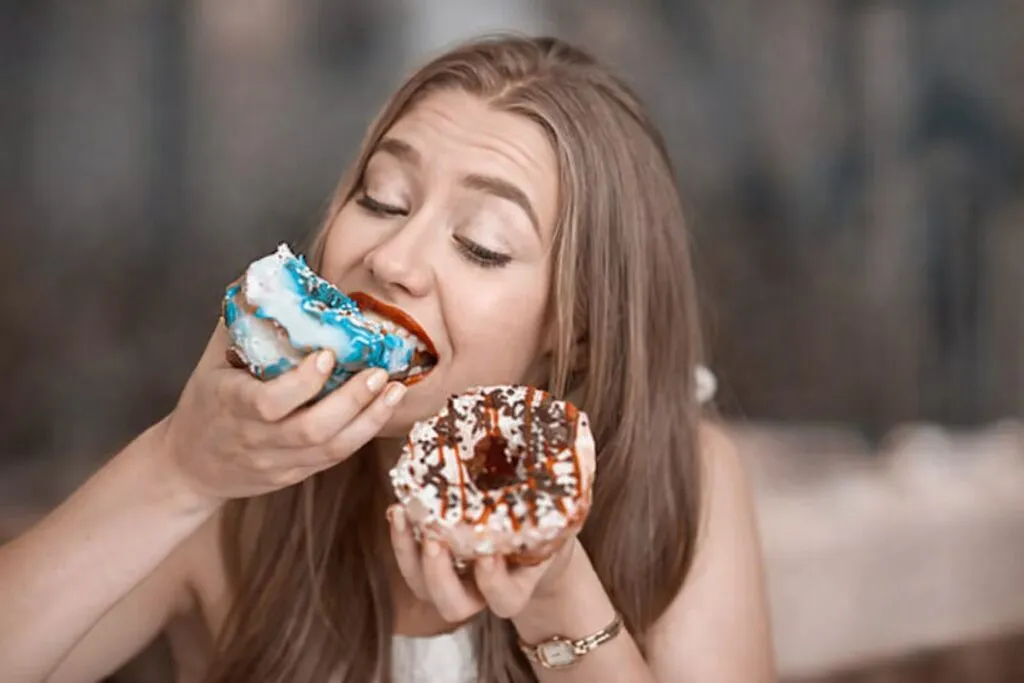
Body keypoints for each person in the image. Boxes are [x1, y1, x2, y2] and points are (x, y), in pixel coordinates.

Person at [0, 35, 773, 683]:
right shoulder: (235, 490)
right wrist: (178, 468)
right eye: (382, 199)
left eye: (481, 244)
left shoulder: (686, 475)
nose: (393, 258)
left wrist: (556, 596)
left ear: (575, 336)